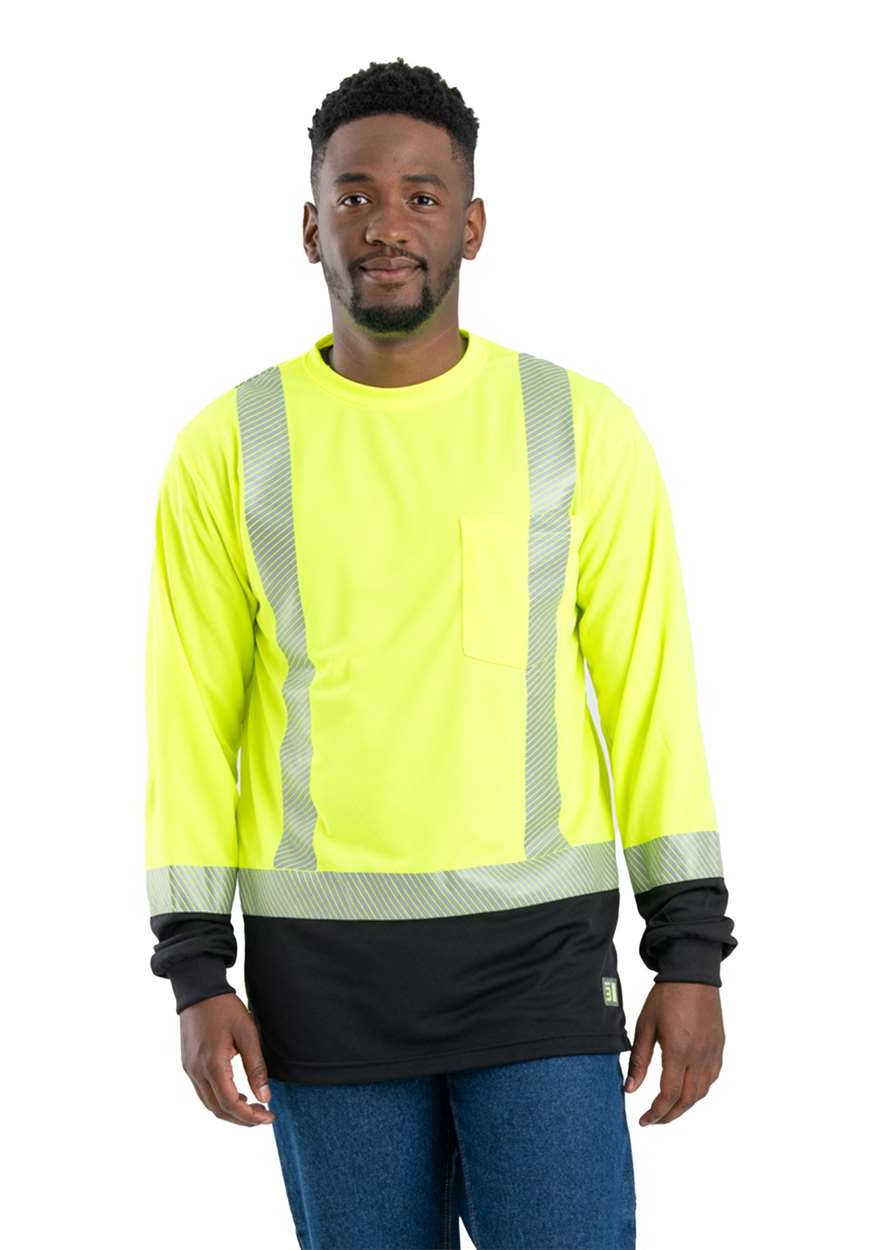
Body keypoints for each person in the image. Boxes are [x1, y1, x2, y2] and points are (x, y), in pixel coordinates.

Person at [143, 57, 737, 1250]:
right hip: (324, 978)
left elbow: (649, 698)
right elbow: (190, 722)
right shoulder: (231, 445)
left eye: (421, 196)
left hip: (539, 962)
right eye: (355, 196)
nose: (387, 224)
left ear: (470, 224)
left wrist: (690, 949)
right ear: (310, 226)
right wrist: (196, 970)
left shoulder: (577, 427)